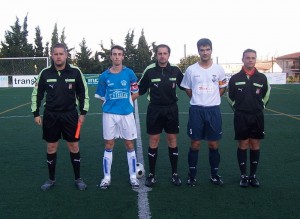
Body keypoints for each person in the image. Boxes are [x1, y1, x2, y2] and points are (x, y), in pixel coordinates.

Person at [31, 43, 90, 191]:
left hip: (70, 115)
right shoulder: (45, 73)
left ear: (66, 55)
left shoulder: (76, 72)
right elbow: (36, 94)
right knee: (51, 146)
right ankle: (51, 179)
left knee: (74, 145)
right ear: (52, 55)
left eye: (61, 54)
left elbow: (83, 93)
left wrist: (83, 113)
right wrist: (36, 113)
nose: (58, 56)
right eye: (55, 54)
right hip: (51, 116)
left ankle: (78, 178)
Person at [136, 44, 185, 187]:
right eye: (160, 53)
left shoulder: (176, 70)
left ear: (169, 55)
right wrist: (126, 100)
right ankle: (151, 175)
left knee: (172, 140)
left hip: (171, 109)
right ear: (156, 55)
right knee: (154, 141)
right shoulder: (149, 70)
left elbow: (186, 86)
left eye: (165, 53)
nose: (162, 56)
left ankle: (175, 174)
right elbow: (141, 89)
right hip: (154, 110)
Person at [180, 38, 227, 186]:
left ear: (211, 50)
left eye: (207, 49)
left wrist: (213, 98)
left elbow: (222, 87)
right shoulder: (191, 70)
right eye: (202, 50)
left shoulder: (219, 69)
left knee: (213, 144)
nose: (205, 52)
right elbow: (187, 87)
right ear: (198, 51)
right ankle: (192, 175)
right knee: (195, 144)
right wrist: (196, 98)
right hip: (196, 110)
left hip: (213, 110)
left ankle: (214, 175)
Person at [95, 45, 139, 189]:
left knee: (129, 144)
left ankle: (133, 176)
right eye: (114, 54)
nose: (117, 57)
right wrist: (111, 104)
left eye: (119, 54)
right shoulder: (104, 76)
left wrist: (126, 102)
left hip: (126, 114)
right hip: (109, 115)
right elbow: (101, 96)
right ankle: (106, 177)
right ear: (111, 57)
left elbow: (135, 92)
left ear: (123, 56)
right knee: (108, 145)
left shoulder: (130, 73)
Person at [227, 49, 271, 188]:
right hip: (241, 116)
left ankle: (253, 176)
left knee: (255, 145)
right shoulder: (235, 78)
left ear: (255, 59)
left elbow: (266, 95)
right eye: (247, 57)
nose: (250, 60)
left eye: (253, 58)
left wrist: (260, 106)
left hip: (257, 116)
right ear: (243, 59)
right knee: (243, 145)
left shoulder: (262, 78)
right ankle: (243, 176)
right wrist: (237, 107)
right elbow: (230, 96)